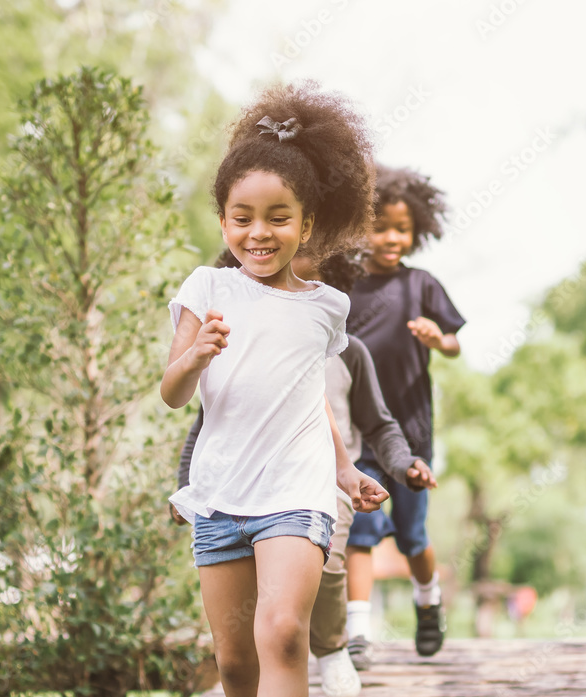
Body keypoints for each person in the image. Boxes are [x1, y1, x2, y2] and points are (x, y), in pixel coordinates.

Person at [160, 81, 389, 697]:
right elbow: (172, 393)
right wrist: (196, 355)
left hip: (296, 492)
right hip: (222, 493)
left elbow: (308, 395)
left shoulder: (326, 307)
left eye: (278, 217)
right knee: (235, 663)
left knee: (283, 632)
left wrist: (343, 471)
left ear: (307, 223)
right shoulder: (206, 290)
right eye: (242, 217)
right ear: (223, 220)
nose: (258, 232)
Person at [171, 249, 437, 697]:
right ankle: (310, 652)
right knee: (236, 660)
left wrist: (375, 467)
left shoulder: (338, 331)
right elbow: (207, 419)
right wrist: (186, 485)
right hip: (229, 492)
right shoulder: (228, 316)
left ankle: (333, 649)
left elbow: (368, 419)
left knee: (299, 608)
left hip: (309, 486)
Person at [344, 165, 466, 669]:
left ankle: (428, 601)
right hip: (358, 434)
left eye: (401, 228)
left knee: (413, 535)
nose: (391, 237)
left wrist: (440, 340)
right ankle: (357, 633)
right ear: (359, 228)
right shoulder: (344, 286)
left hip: (411, 433)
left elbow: (455, 343)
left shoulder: (422, 285)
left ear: (416, 231)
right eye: (380, 226)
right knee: (359, 533)